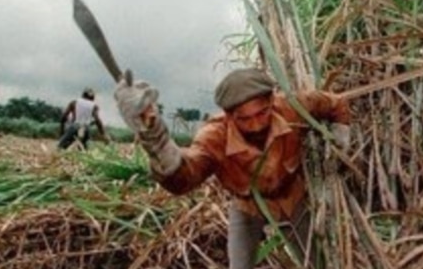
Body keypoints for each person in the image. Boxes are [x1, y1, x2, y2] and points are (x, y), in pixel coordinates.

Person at [114, 68, 351, 269]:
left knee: (315, 262)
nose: (256, 124)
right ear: (228, 115)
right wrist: (155, 137)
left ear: (272, 101)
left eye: (262, 113)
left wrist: (341, 134)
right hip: (247, 207)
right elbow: (183, 179)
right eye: (244, 119)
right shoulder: (213, 137)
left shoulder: (292, 106)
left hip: (293, 198)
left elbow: (335, 103)